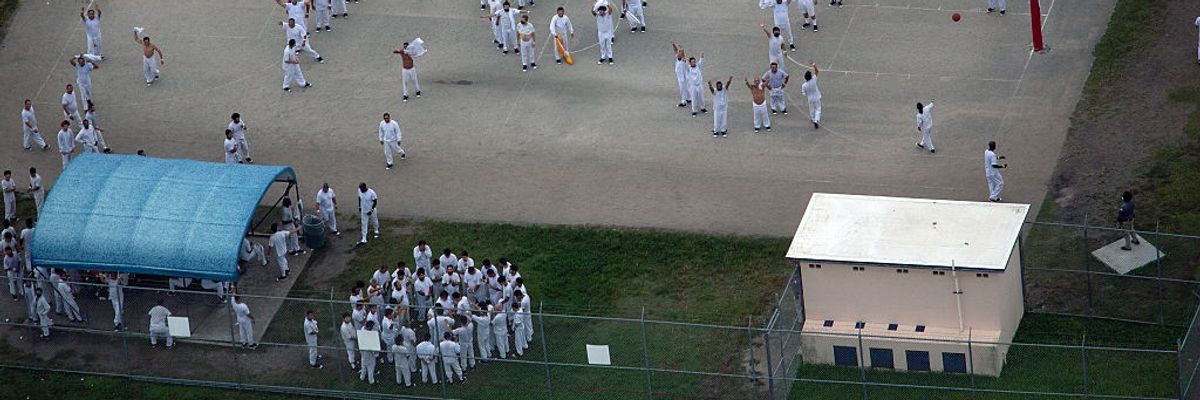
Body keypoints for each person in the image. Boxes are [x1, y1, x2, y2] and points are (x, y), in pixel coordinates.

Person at [801, 61, 822, 129]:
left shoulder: (804, 85)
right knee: (818, 109)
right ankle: (816, 120)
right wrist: (814, 65)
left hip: (810, 98)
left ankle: (813, 119)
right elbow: (817, 71)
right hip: (816, 97)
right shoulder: (813, 80)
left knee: (811, 109)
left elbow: (803, 93)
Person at [671, 42, 689, 107]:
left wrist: (681, 48)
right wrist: (673, 45)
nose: (678, 54)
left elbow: (682, 53)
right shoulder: (677, 58)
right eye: (678, 53)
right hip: (680, 77)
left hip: (683, 77)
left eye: (679, 53)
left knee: (682, 88)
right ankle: (688, 98)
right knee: (686, 88)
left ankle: (683, 101)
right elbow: (675, 50)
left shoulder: (684, 59)